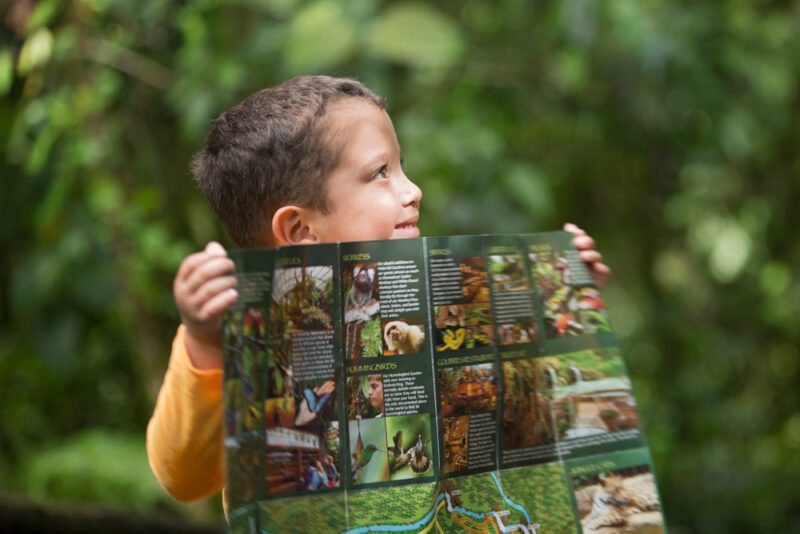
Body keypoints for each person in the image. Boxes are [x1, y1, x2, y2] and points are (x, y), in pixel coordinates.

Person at [146, 75, 611, 504]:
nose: (414, 190)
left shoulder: (448, 296)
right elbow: (182, 477)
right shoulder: (247, 333)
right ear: (300, 230)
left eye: (400, 167)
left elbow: (533, 411)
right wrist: (203, 342)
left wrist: (565, 294)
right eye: (379, 173)